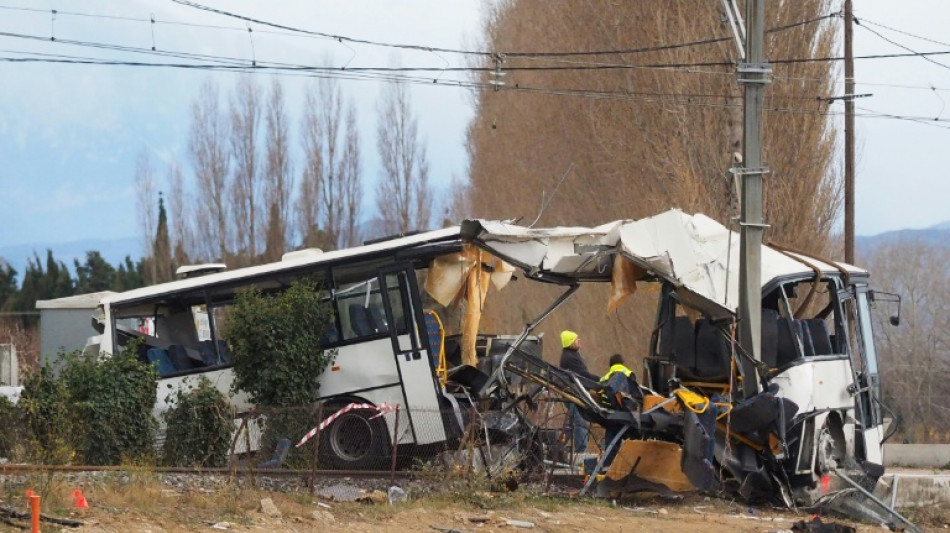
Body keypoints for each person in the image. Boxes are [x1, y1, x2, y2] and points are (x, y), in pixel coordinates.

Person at [599, 353, 643, 467]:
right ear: (622, 363)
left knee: (611, 440)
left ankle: (607, 465)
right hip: (624, 414)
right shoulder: (627, 373)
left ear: (610, 365)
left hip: (609, 415)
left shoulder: (604, 378)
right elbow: (634, 394)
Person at [558, 330, 597, 454]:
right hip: (573, 394)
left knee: (571, 424)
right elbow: (583, 375)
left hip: (575, 393)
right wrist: (599, 381)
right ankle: (581, 453)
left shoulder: (573, 354)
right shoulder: (570, 358)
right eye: (576, 339)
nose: (579, 340)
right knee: (580, 423)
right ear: (570, 343)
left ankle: (558, 447)